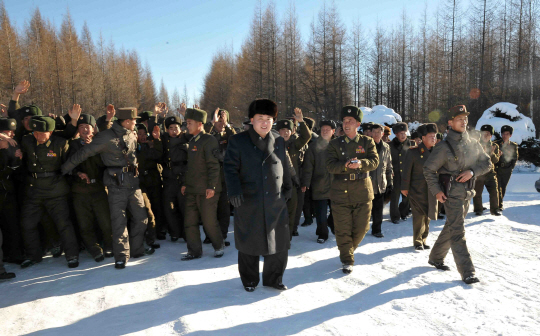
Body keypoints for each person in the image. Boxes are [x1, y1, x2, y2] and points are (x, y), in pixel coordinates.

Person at [62, 107, 154, 270]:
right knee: (119, 222)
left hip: (133, 184)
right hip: (116, 184)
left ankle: (137, 249)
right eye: (134, 120)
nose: (136, 123)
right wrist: (64, 169)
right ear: (126, 121)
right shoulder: (105, 137)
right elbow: (84, 153)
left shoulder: (132, 134)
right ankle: (121, 256)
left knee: (141, 218)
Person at [224, 98, 292, 292]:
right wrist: (234, 190)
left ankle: (274, 279)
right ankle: (250, 280)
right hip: (249, 200)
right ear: (251, 120)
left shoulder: (278, 139)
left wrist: (288, 186)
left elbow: (284, 164)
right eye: (260, 118)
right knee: (249, 242)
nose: (265, 122)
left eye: (269, 118)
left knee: (279, 242)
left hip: (275, 199)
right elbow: (229, 168)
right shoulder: (238, 141)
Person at [423, 105, 490, 284]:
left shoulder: (473, 143)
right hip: (451, 195)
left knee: (452, 226)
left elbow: (487, 163)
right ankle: (467, 272)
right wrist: (437, 191)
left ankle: (436, 257)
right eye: (459, 119)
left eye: (465, 118)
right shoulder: (443, 147)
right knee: (458, 232)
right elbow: (428, 169)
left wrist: (472, 172)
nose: (464, 121)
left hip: (468, 193)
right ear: (450, 122)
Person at [20, 115, 80, 268]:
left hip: (56, 191)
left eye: (42, 133)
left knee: (63, 224)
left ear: (51, 132)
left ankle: (72, 255)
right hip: (34, 190)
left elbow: (69, 164)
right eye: (35, 132)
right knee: (27, 224)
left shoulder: (60, 143)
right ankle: (33, 255)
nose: (38, 136)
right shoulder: (27, 141)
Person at [326, 105, 379, 274]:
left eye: (350, 121)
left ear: (358, 124)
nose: (346, 123)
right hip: (340, 192)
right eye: (344, 121)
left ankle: (348, 249)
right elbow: (329, 165)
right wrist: (345, 165)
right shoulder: (334, 144)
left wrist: (361, 164)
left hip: (363, 191)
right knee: (342, 229)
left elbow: (374, 161)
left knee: (362, 228)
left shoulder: (367, 141)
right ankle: (347, 259)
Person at [67, 114, 114, 262]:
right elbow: (68, 165)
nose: (85, 130)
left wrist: (91, 149)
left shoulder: (101, 144)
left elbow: (103, 165)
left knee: (105, 222)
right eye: (81, 127)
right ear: (78, 130)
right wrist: (78, 173)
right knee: (85, 224)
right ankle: (94, 249)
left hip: (98, 189)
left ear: (93, 129)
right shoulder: (72, 145)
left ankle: (109, 245)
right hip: (80, 191)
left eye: (88, 126)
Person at [180, 108, 224, 260]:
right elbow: (190, 167)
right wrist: (185, 183)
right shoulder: (192, 140)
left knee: (208, 221)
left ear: (200, 124)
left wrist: (211, 186)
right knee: (189, 222)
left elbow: (214, 165)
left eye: (189, 123)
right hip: (192, 189)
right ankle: (194, 251)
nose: (187, 126)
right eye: (186, 123)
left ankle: (218, 245)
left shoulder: (209, 140)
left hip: (207, 190)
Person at [401, 123, 439, 250]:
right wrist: (404, 187)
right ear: (423, 138)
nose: (434, 138)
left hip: (432, 189)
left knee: (428, 215)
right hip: (417, 189)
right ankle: (417, 241)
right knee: (418, 216)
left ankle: (424, 238)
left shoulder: (437, 152)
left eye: (435, 136)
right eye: (430, 136)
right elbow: (406, 171)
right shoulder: (414, 152)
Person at [203, 108, 236, 246]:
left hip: (225, 177)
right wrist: (212, 123)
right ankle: (209, 235)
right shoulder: (209, 134)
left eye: (224, 120)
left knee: (224, 209)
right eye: (219, 121)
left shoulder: (228, 134)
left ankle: (221, 235)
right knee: (209, 208)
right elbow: (202, 135)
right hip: (210, 177)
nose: (221, 123)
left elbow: (235, 139)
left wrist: (227, 125)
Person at [276, 109, 311, 238]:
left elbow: (306, 136)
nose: (285, 132)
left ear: (291, 132)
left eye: (287, 130)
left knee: (292, 211)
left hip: (292, 184)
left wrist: (301, 121)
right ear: (278, 132)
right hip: (276, 185)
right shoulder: (272, 144)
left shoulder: (294, 144)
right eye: (282, 130)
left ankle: (288, 236)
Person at [301, 120, 335, 243]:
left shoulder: (338, 145)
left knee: (336, 211)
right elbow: (308, 167)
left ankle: (332, 225)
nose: (325, 131)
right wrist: (306, 183)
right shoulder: (313, 147)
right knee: (320, 214)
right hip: (319, 184)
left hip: (336, 185)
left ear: (333, 131)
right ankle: (322, 234)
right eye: (323, 129)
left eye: (328, 129)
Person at [161, 114, 190, 241]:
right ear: (167, 129)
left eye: (176, 127)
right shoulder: (164, 139)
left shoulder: (186, 138)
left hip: (183, 177)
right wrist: (157, 116)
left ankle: (186, 233)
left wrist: (186, 115)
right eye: (171, 128)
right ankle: (175, 232)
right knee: (169, 207)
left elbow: (199, 133)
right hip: (169, 177)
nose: (174, 131)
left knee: (184, 207)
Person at [135, 123, 164, 248]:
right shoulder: (134, 148)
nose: (142, 136)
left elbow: (158, 155)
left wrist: (156, 141)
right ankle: (150, 237)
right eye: (139, 134)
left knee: (157, 207)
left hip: (154, 180)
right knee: (147, 209)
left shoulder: (150, 145)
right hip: (140, 183)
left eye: (144, 134)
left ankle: (159, 231)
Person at [0, 118, 24, 264]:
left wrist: (17, 160)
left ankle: (13, 254)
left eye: (12, 132)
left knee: (11, 223)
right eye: (7, 132)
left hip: (7, 191)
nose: (11, 135)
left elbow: (15, 169)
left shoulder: (13, 144)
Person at [369, 124, 393, 238]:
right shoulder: (366, 145)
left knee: (378, 210)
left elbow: (389, 166)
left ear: (383, 134)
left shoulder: (386, 147)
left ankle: (377, 230)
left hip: (381, 183)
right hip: (368, 183)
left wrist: (390, 182)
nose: (376, 134)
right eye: (374, 132)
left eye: (379, 132)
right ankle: (360, 230)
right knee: (365, 210)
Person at [473, 124, 501, 216]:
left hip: (490, 172)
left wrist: (492, 154)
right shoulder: (476, 144)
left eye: (488, 133)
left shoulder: (494, 146)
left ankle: (494, 209)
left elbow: (496, 160)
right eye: (484, 133)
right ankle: (478, 209)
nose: (486, 135)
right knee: (477, 192)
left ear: (491, 136)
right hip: (479, 172)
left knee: (494, 191)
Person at [389, 122, 414, 223]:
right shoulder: (390, 145)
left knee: (406, 196)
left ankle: (404, 212)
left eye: (404, 133)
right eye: (401, 133)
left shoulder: (412, 144)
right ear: (396, 134)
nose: (403, 135)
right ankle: (394, 216)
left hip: (407, 175)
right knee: (394, 197)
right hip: (395, 174)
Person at [494, 125, 519, 212]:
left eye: (507, 134)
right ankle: (498, 205)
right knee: (497, 187)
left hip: (507, 170)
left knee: (503, 187)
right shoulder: (496, 144)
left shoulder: (513, 145)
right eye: (503, 134)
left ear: (510, 135)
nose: (505, 135)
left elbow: (514, 158)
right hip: (497, 168)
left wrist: (511, 168)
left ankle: (499, 203)